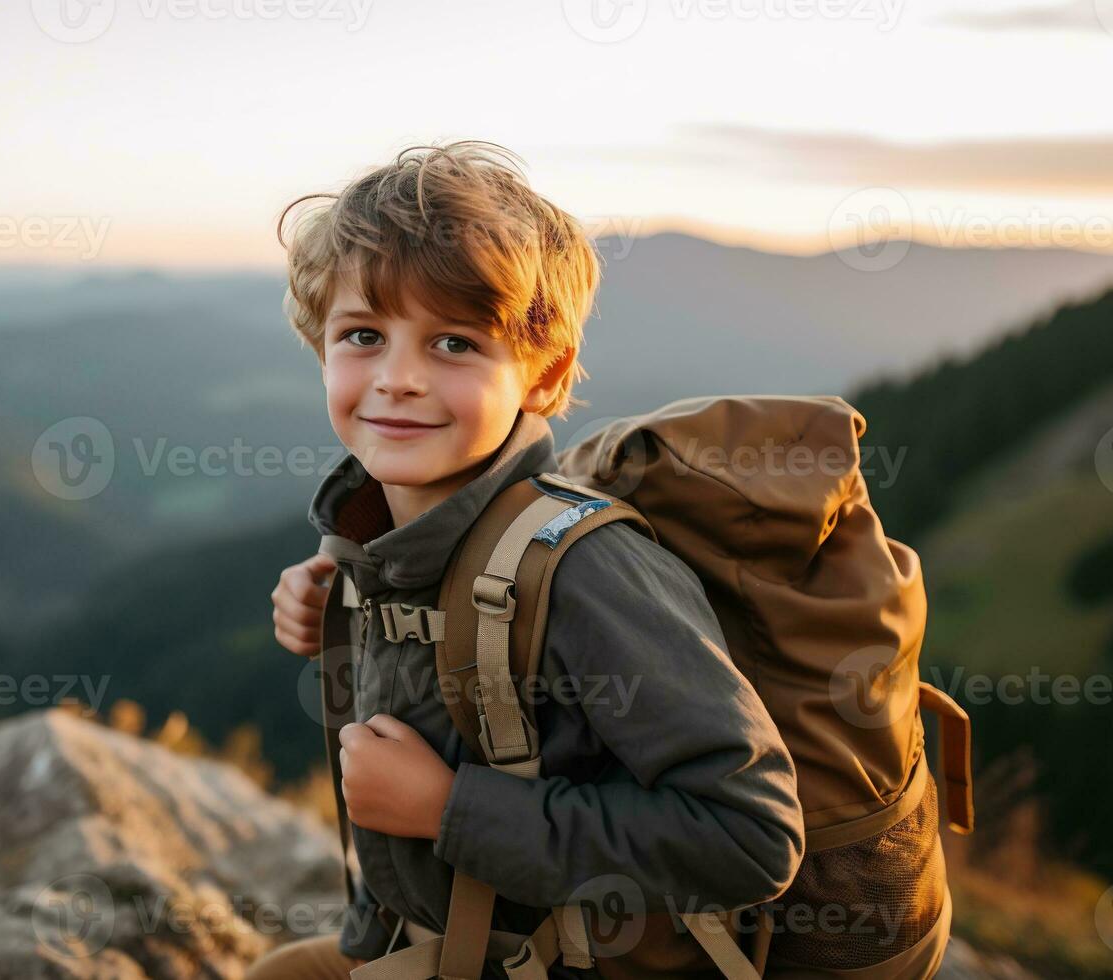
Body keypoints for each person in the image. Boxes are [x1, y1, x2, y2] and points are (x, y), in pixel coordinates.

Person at [254, 140, 804, 980]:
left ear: (543, 376)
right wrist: (335, 596)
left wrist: (448, 809)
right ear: (320, 347)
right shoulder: (392, 545)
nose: (397, 378)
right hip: (416, 947)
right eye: (363, 334)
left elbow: (752, 834)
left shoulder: (591, 573)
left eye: (455, 345)